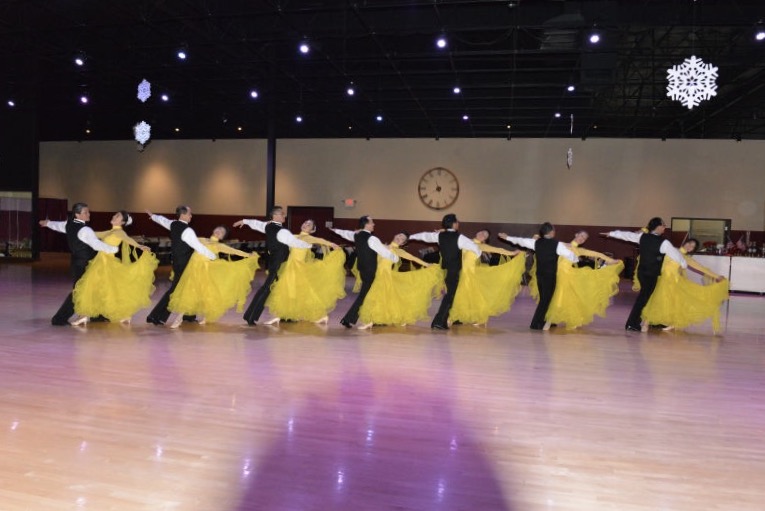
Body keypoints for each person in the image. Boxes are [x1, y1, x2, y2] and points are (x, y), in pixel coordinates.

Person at [70, 211, 159, 325]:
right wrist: (79, 231)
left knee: (93, 288)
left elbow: (128, 239)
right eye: (115, 215)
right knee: (107, 290)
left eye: (117, 216)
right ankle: (124, 315)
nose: (113, 216)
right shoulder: (111, 231)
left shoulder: (119, 231)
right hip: (100, 262)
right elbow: (96, 234)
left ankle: (84, 315)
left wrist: (139, 246)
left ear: (122, 222)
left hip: (106, 264)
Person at [524, 229, 623, 330]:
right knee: (553, 298)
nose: (582, 239)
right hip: (556, 275)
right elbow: (540, 239)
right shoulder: (562, 245)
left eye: (584, 238)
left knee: (560, 298)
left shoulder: (579, 250)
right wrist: (538, 237)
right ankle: (548, 321)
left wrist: (612, 260)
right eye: (581, 236)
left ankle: (550, 321)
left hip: (568, 276)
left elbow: (597, 254)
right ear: (576, 234)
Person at [39, 202, 119, 326]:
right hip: (85, 263)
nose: (89, 214)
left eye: (88, 211)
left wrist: (47, 223)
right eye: (85, 212)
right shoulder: (85, 229)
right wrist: (113, 249)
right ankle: (59, 318)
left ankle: (97, 315)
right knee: (79, 291)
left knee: (94, 288)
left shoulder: (70, 224)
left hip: (77, 262)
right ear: (77, 214)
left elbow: (59, 226)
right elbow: (96, 244)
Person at [602, 217, 687, 332]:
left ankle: (652, 321)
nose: (664, 227)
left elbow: (628, 236)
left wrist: (612, 234)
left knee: (650, 297)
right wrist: (683, 264)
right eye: (663, 225)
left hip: (642, 273)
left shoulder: (643, 237)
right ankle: (632, 323)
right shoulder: (663, 242)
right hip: (651, 274)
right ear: (658, 226)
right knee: (644, 298)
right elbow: (675, 254)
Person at [167, 225, 260, 327]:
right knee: (188, 293)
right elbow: (187, 239)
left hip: (206, 272)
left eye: (222, 232)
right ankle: (179, 318)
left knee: (205, 294)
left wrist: (249, 255)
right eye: (218, 229)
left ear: (222, 237)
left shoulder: (219, 245)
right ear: (213, 229)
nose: (219, 231)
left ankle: (206, 316)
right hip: (192, 270)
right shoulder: (201, 239)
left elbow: (234, 251)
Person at [234, 206, 312, 325]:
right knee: (267, 288)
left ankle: (286, 315)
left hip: (278, 263)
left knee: (284, 288)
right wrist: (308, 245)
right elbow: (293, 242)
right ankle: (250, 316)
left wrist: (245, 221)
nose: (284, 215)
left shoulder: (270, 226)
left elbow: (258, 224)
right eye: (282, 214)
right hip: (278, 263)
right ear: (275, 216)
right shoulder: (280, 230)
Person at [264, 219, 346, 325]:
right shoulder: (295, 236)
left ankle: (280, 315)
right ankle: (280, 315)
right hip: (290, 267)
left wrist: (333, 245)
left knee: (299, 292)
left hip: (299, 268)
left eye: (309, 225)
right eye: (305, 223)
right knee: (290, 291)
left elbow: (321, 240)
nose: (305, 225)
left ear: (312, 230)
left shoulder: (309, 238)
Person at [146, 206, 217, 326]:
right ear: (183, 215)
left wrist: (153, 216)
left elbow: (163, 221)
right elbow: (198, 246)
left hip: (177, 262)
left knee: (191, 287)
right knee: (176, 290)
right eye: (189, 214)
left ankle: (188, 315)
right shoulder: (187, 230)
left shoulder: (174, 224)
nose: (191, 216)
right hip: (185, 264)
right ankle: (155, 316)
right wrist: (213, 256)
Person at [639, 238, 729, 333]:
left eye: (693, 247)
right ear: (685, 242)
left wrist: (717, 276)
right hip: (662, 279)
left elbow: (701, 268)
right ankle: (647, 323)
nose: (690, 246)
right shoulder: (671, 250)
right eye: (689, 243)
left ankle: (661, 323)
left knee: (671, 302)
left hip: (674, 282)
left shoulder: (686, 258)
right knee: (656, 300)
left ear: (692, 250)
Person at [499, 222, 578, 330]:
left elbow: (521, 241)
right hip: (550, 276)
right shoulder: (557, 244)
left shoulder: (536, 242)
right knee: (545, 300)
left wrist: (507, 237)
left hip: (540, 275)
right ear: (551, 232)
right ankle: (536, 324)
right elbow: (571, 256)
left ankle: (546, 320)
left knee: (545, 299)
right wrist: (576, 259)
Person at [355, 231, 442, 328]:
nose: (399, 238)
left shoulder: (398, 251)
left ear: (403, 243)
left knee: (375, 297)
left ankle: (370, 321)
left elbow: (413, 258)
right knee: (386, 299)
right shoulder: (381, 246)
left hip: (385, 277)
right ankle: (400, 318)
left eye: (402, 239)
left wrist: (427, 264)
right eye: (399, 235)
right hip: (377, 275)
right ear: (395, 235)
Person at [410, 213, 481, 330]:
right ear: (454, 224)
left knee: (453, 294)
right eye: (457, 222)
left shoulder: (440, 236)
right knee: (450, 295)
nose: (458, 223)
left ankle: (451, 318)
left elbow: (424, 236)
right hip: (455, 270)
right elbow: (476, 249)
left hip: (446, 269)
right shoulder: (460, 237)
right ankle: (438, 321)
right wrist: (472, 258)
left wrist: (410, 236)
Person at [331, 215, 399, 329]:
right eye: (372, 222)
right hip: (371, 270)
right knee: (365, 295)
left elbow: (346, 233)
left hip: (363, 269)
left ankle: (372, 318)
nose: (374, 224)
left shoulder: (357, 235)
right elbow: (384, 252)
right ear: (366, 224)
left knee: (370, 294)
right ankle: (350, 319)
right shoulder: (372, 239)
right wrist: (395, 258)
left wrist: (335, 230)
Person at [448, 229, 526, 327]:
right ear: (477, 232)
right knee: (469, 297)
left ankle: (453, 318)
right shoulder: (466, 241)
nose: (482, 235)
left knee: (464, 296)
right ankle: (468, 318)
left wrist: (513, 253)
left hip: (472, 275)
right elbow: (452, 239)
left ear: (484, 240)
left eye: (484, 235)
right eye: (481, 232)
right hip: (463, 273)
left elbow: (498, 250)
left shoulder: (481, 246)